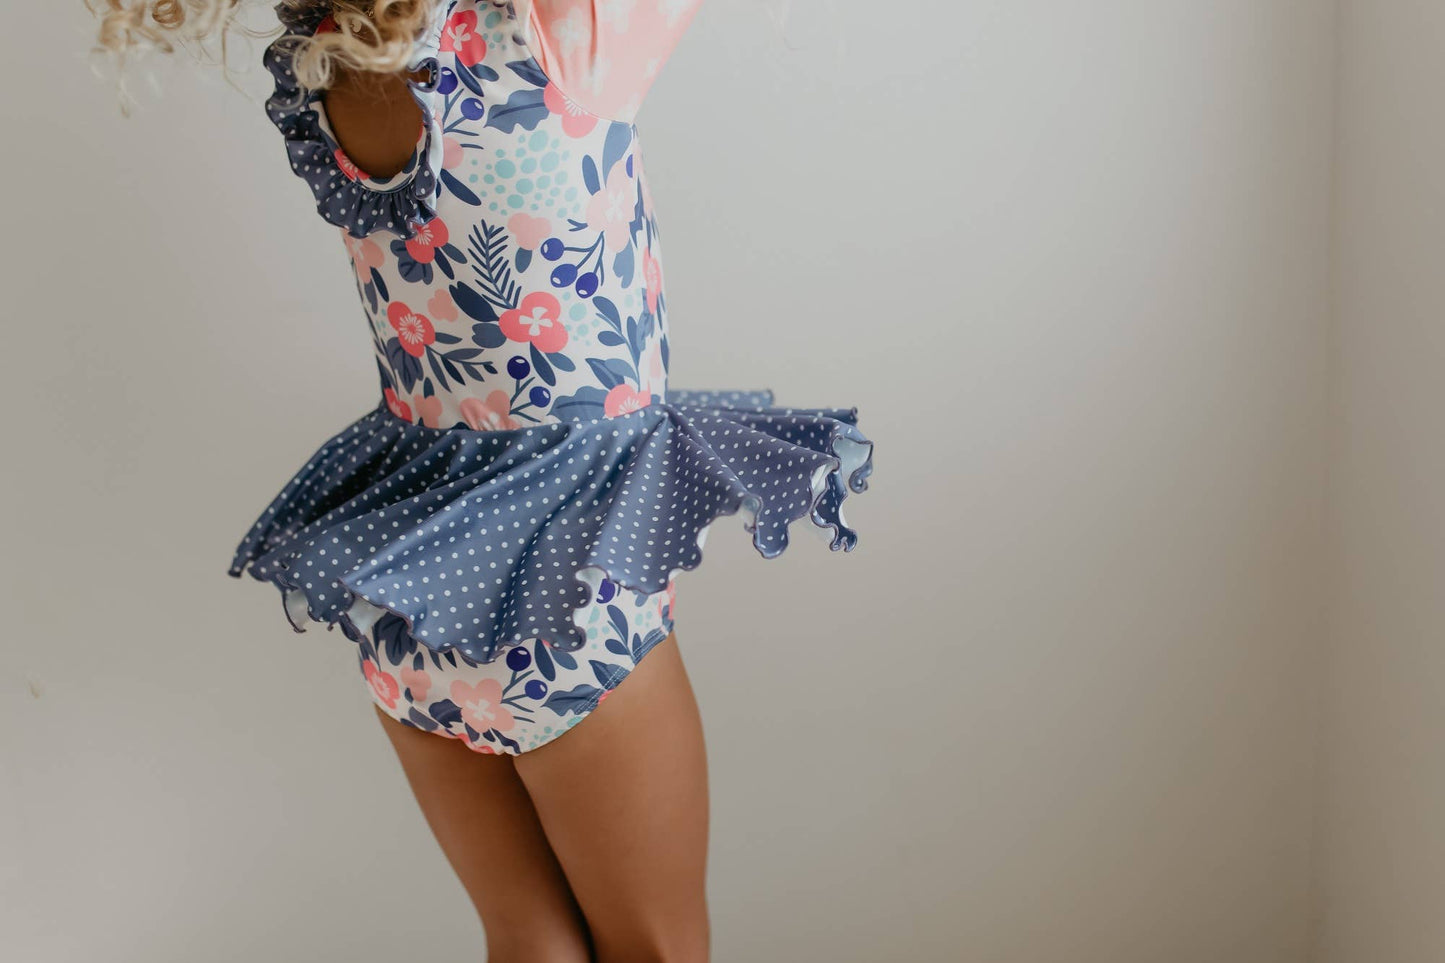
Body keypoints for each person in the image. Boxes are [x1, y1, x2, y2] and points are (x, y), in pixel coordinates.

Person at [91, 2, 874, 960]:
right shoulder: (554, 38)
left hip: (409, 605)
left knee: (524, 941)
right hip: (563, 610)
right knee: (659, 946)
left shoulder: (326, 50)